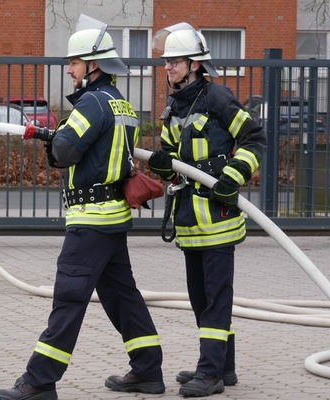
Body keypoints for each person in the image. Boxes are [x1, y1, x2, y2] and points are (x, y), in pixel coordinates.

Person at [0, 15, 164, 400]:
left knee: (69, 296)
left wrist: (55, 139)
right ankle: (148, 369)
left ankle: (39, 381)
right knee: (123, 297)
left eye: (73, 63)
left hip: (91, 220)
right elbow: (97, 148)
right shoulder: (123, 105)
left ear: (93, 65)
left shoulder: (91, 103)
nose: (68, 69)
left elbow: (68, 150)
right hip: (112, 218)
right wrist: (62, 136)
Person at [146, 23, 266, 397]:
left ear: (195, 64)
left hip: (217, 219)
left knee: (216, 298)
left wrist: (234, 173)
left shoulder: (218, 98)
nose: (168, 68)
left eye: (175, 61)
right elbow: (170, 152)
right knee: (201, 299)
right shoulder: (174, 105)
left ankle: (209, 372)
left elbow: (254, 136)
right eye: (166, 62)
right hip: (188, 221)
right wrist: (163, 165)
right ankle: (223, 367)